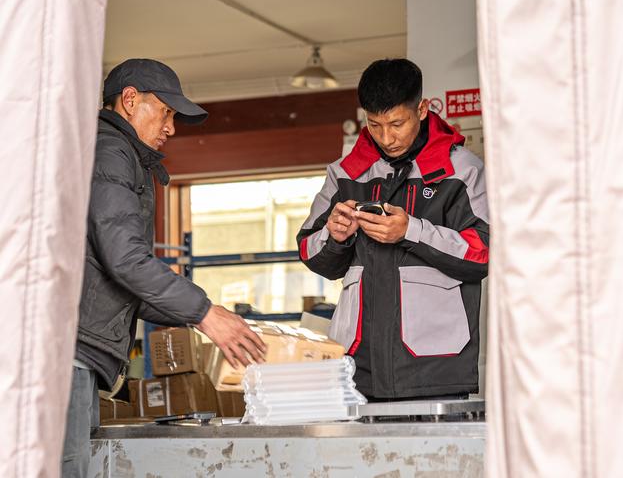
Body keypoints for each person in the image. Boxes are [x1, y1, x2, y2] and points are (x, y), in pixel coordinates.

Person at [62, 58, 267, 477]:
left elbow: (118, 281)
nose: (171, 127)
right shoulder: (110, 152)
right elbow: (125, 259)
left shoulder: (119, 156)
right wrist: (204, 314)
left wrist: (201, 314)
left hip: (76, 353)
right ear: (130, 100)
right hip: (67, 355)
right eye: (167, 112)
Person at [297, 58, 489, 400]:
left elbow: (483, 254)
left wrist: (411, 232)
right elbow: (309, 250)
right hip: (357, 367)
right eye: (375, 125)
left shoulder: (461, 170)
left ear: (423, 109)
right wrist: (335, 236)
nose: (387, 137)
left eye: (397, 123)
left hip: (435, 368)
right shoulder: (346, 174)